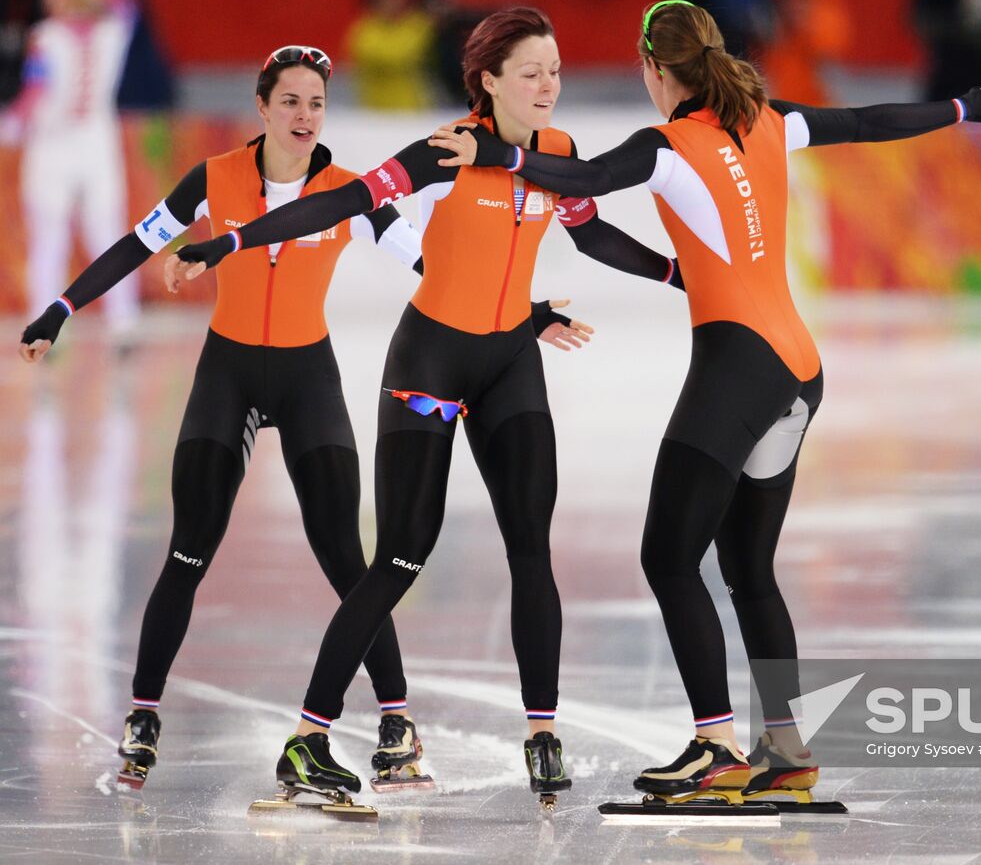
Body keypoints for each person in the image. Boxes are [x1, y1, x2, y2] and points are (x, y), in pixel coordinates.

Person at [424, 0, 981, 805]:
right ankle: (789, 749)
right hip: (800, 369)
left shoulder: (666, 145)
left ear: (654, 72)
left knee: (668, 557)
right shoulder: (771, 118)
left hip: (739, 367)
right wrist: (964, 107)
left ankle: (716, 747)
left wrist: (497, 153)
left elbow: (586, 180)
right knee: (746, 566)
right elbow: (870, 121)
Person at [14, 45, 577, 792]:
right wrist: (60, 308)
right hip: (229, 374)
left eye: (315, 102)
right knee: (190, 549)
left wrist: (523, 316)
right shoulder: (212, 180)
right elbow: (133, 245)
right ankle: (144, 713)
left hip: (310, 377)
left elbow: (435, 267)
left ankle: (394, 720)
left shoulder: (350, 192)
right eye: (290, 102)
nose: (304, 116)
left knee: (352, 559)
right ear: (263, 107)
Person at [171, 8, 676, 809]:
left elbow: (591, 236)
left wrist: (681, 275)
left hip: (510, 361)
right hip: (430, 365)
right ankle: (308, 740)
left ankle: (542, 733)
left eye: (555, 70)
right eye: (531, 73)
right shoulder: (444, 151)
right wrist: (232, 241)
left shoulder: (560, 154)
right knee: (403, 555)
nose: (550, 86)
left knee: (531, 550)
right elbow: (336, 206)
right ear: (488, 82)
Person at [2, 0, 139, 337]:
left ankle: (43, 327)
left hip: (52, 146)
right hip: (97, 144)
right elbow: (127, 1)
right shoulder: (114, 30)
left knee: (49, 239)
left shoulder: (45, 38)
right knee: (108, 235)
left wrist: (9, 126)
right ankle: (123, 322)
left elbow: (32, 96)